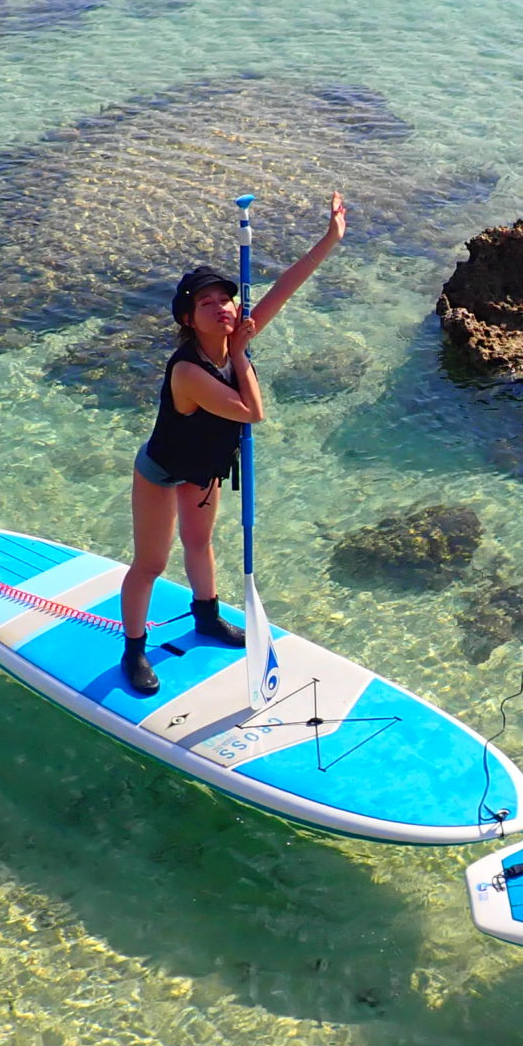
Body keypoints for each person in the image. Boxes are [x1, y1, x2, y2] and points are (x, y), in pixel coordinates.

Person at [118, 191, 346, 696]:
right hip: (161, 469)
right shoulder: (188, 370)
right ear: (187, 318)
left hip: (205, 468)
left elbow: (285, 286)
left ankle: (207, 618)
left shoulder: (236, 332)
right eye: (207, 303)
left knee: (199, 543)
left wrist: (329, 239)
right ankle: (134, 649)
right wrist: (241, 355)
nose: (221, 307)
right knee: (151, 564)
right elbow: (252, 412)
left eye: (226, 299)